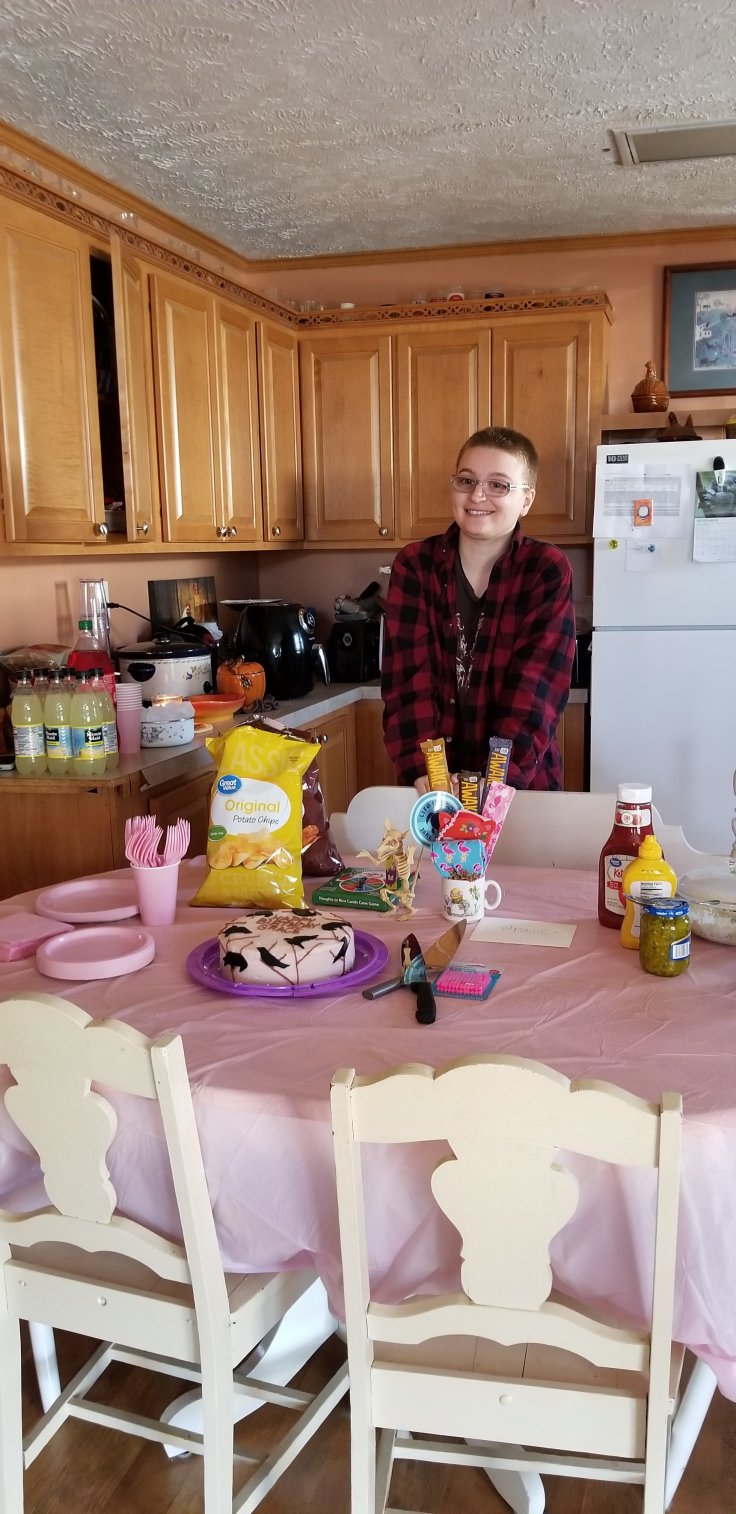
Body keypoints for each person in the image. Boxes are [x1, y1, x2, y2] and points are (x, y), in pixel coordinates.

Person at [381, 425, 575, 792]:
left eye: (499, 484)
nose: (478, 495)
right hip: (433, 788)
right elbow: (408, 684)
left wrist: (494, 782)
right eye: (467, 480)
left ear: (526, 500)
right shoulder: (415, 566)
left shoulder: (545, 569)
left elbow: (537, 690)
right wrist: (432, 775)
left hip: (517, 788)